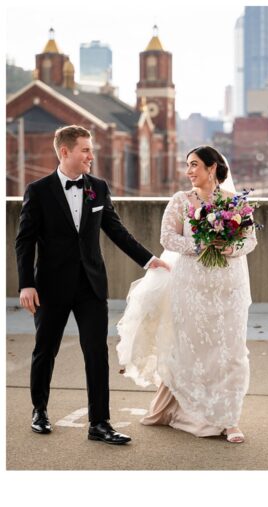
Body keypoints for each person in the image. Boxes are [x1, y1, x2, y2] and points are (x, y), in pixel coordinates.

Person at [15, 125, 171, 445]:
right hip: (50, 286)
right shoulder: (38, 191)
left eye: (91, 149)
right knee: (45, 349)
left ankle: (99, 423)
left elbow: (115, 229)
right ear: (65, 152)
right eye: (85, 150)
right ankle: (39, 411)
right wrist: (26, 284)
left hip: (91, 285)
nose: (91, 155)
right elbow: (24, 241)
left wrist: (147, 259)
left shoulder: (98, 187)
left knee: (97, 353)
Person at [116, 146, 256, 443]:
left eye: (194, 165)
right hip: (191, 285)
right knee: (192, 349)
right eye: (187, 165)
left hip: (229, 286)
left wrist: (229, 248)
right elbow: (167, 238)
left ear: (212, 167)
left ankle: (229, 419)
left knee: (231, 352)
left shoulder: (236, 203)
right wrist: (200, 246)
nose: (189, 171)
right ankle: (191, 411)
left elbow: (250, 240)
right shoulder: (180, 200)